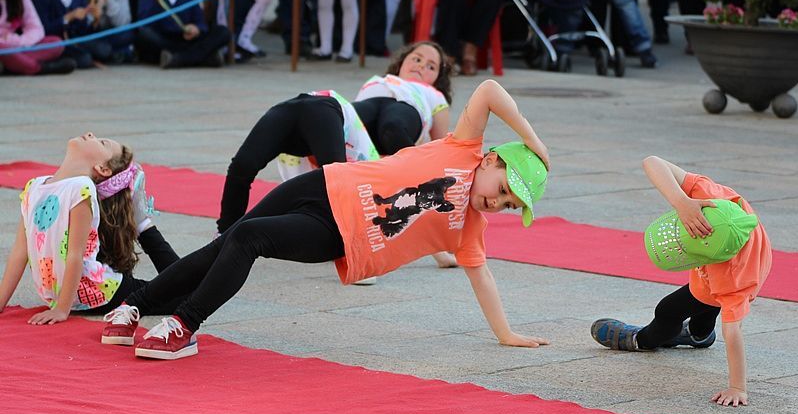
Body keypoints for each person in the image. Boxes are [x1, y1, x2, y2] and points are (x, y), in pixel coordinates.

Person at [100, 78, 551, 360]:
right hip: (324, 185)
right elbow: (489, 90)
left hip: (337, 233)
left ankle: (184, 325)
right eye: (503, 188)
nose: (499, 203)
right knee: (228, 241)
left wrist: (506, 334)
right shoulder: (462, 148)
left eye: (510, 205)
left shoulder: (469, 228)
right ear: (490, 160)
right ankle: (134, 306)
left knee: (249, 237)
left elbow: (482, 278)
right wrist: (534, 142)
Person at [216, 41, 453, 234]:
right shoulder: (378, 81)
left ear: (437, 79)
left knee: (391, 129)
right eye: (416, 58)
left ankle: (351, 240)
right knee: (242, 166)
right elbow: (349, 127)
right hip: (329, 108)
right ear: (401, 62)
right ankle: (225, 232)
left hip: (402, 115)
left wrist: (420, 166)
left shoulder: (433, 95)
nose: (421, 66)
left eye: (431, 66)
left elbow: (439, 148)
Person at [591, 156, 772, 408]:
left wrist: (737, 387)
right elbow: (652, 162)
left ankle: (643, 340)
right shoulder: (713, 198)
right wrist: (682, 202)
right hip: (734, 266)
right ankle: (699, 335)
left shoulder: (732, 282)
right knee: (706, 307)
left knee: (668, 310)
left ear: (711, 257)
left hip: (733, 277)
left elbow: (733, 333)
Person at [0, 133, 180, 328]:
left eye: (102, 143)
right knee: (181, 290)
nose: (90, 135)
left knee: (183, 294)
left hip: (99, 291)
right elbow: (20, 252)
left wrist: (61, 309)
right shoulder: (34, 187)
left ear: (102, 169)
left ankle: (141, 222)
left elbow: (75, 254)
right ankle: (139, 222)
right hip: (73, 294)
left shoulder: (81, 188)